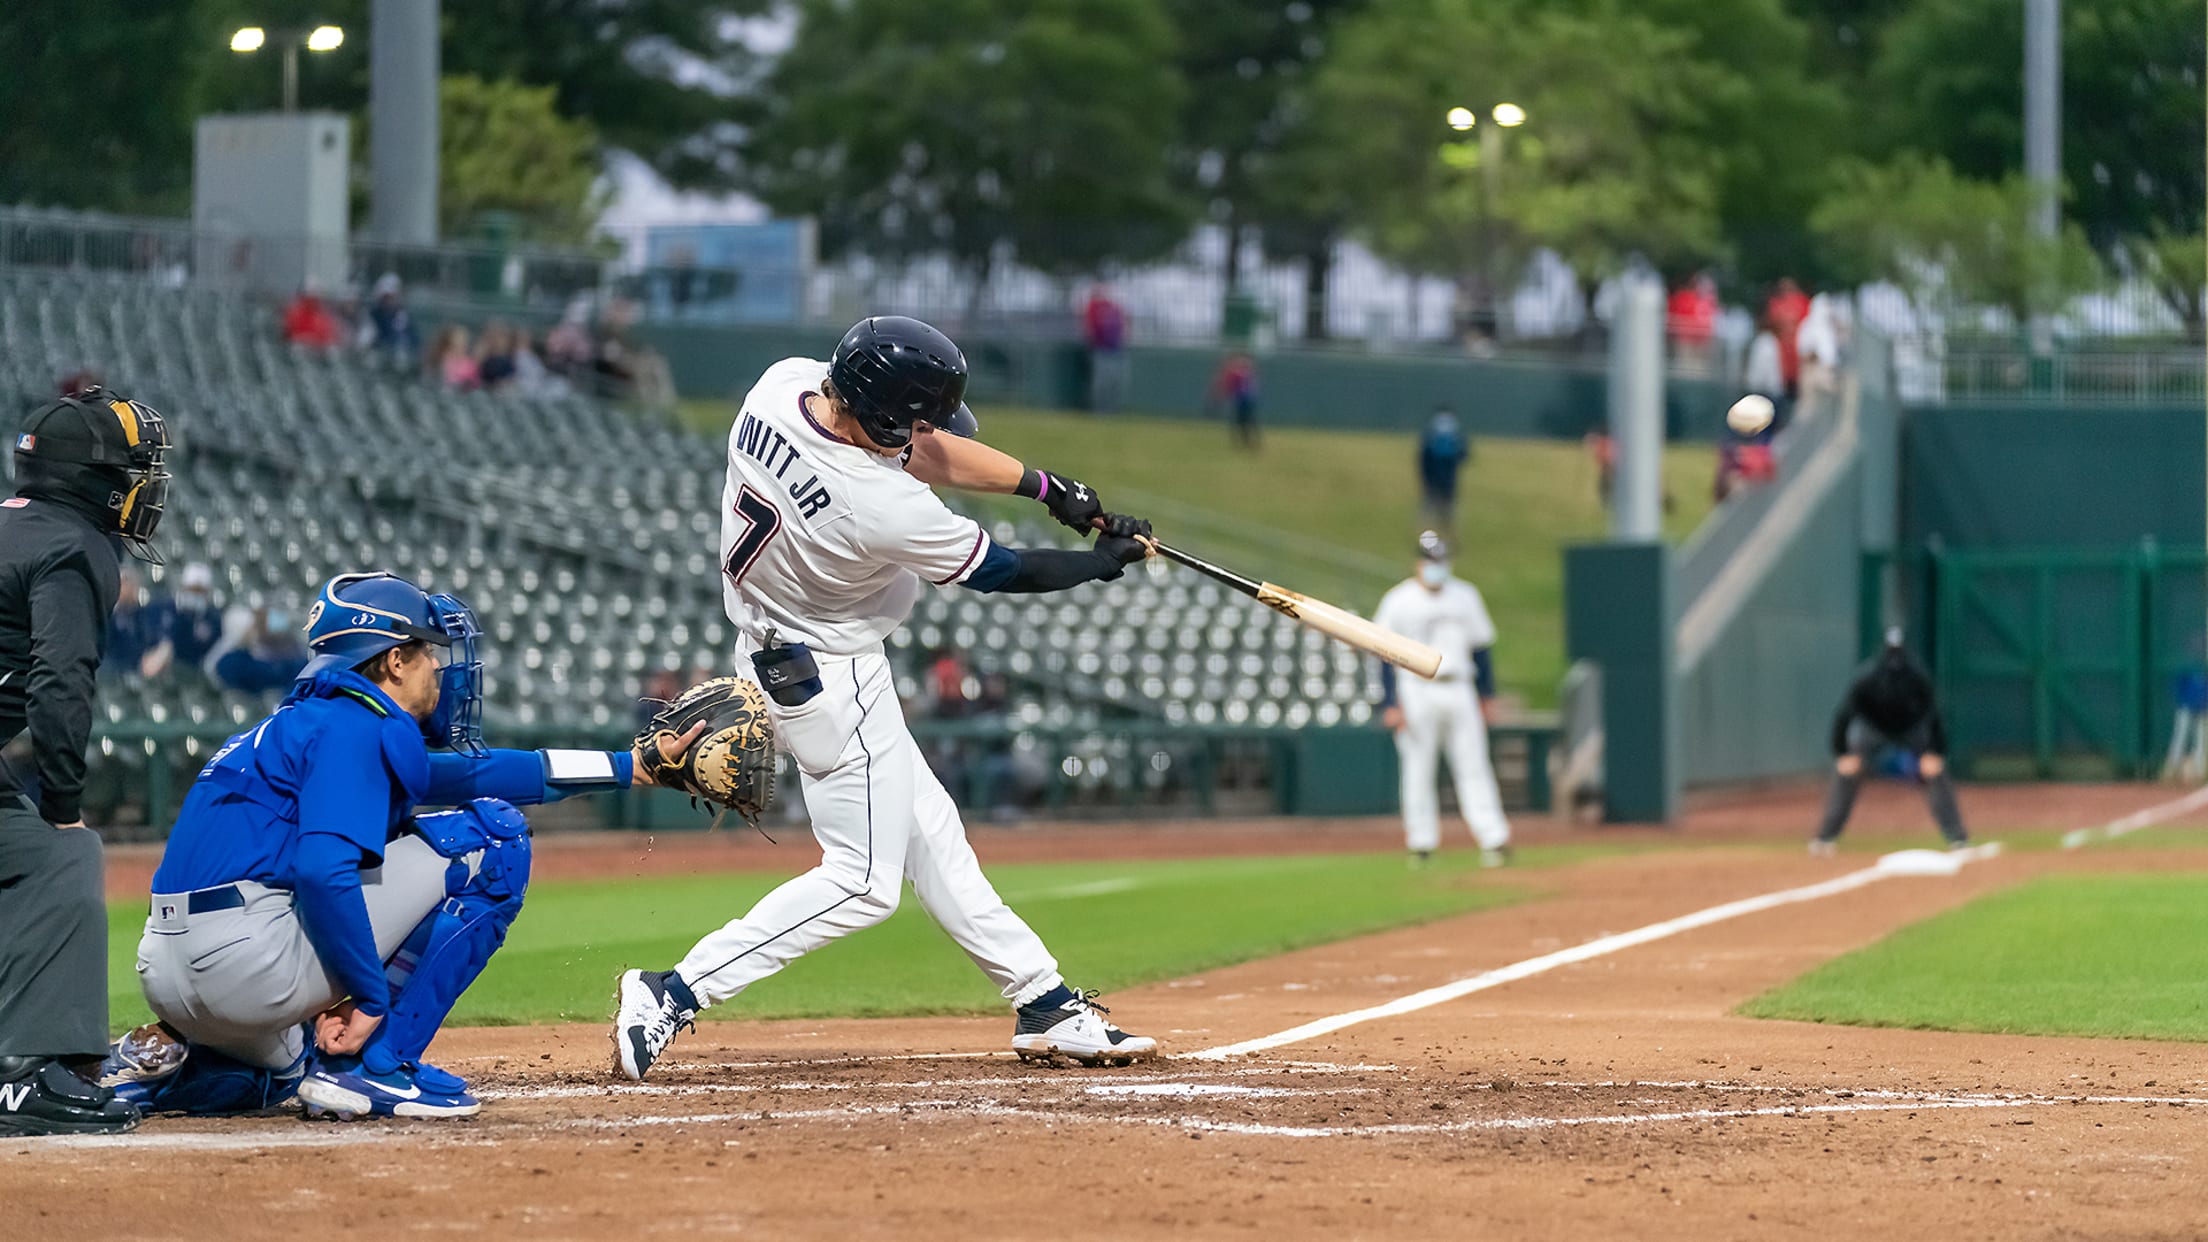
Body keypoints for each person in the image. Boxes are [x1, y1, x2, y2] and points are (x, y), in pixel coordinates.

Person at [613, 314, 1160, 1080]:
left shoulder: (783, 384)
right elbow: (1003, 571)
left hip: (779, 643)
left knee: (932, 837)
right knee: (864, 883)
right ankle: (672, 990)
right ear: (881, 418)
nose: (922, 436)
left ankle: (1046, 1004)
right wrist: (1098, 562)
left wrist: (1048, 488)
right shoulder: (879, 503)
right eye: (911, 420)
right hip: (834, 677)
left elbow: (925, 447)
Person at [99, 572, 708, 1121]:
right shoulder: (356, 727)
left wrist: (630, 767)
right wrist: (365, 998)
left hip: (169, 969)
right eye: (428, 654)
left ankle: (150, 1074)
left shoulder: (299, 724)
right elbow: (321, 871)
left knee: (283, 1068)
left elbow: (478, 773)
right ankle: (377, 1066)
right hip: (247, 964)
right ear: (393, 661)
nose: (440, 670)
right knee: (493, 838)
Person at [0, 388, 172, 1137]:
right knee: (59, 855)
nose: (144, 482)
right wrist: (64, 804)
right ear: (92, 478)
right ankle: (28, 1074)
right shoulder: (75, 544)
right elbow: (59, 686)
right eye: (134, 468)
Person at [1375, 531, 1512, 868]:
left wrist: (1487, 696)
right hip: (1415, 688)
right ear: (1417, 562)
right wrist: (1390, 702)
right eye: (1430, 560)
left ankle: (1492, 837)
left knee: (1473, 765)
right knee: (1417, 768)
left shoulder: (1465, 596)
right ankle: (1421, 843)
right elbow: (1382, 653)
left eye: (1441, 560)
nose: (1436, 566)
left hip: (1458, 684)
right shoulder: (1398, 600)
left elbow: (1481, 649)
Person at [1810, 628, 1968, 855]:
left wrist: (1935, 751)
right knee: (1846, 772)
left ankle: (1957, 837)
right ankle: (1825, 837)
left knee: (1936, 772)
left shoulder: (1917, 676)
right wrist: (1843, 753)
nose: (1895, 662)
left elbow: (1934, 714)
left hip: (1910, 729)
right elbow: (1844, 715)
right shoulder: (1867, 678)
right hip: (1873, 728)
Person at [1417, 407, 1471, 529]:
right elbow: (1464, 456)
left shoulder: (1431, 436)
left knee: (1430, 511)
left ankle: (1426, 541)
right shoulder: (1455, 437)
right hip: (1448, 480)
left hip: (1432, 480)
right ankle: (1449, 540)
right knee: (1447, 512)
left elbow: (1422, 459)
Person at [1082, 285, 1129, 413]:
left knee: (1116, 381)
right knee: (1101, 382)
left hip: (1116, 349)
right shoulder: (1093, 307)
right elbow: (1089, 329)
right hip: (1101, 349)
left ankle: (1113, 409)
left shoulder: (1114, 307)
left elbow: (1124, 325)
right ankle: (1100, 410)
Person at [361, 273, 421, 365]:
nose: (389, 301)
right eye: (386, 298)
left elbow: (414, 339)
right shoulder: (373, 316)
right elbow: (366, 341)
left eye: (392, 297)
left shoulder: (403, 315)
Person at [1209, 352, 1260, 449]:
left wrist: (1223, 396)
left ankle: (1246, 442)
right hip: (1244, 400)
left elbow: (1232, 387)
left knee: (1244, 422)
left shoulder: (1240, 374)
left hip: (1244, 401)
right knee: (1244, 422)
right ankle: (1246, 442)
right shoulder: (1243, 373)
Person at [281, 284, 343, 350]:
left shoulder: (323, 317)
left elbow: (331, 337)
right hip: (298, 349)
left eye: (315, 299)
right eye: (310, 298)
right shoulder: (294, 312)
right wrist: (306, 338)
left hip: (317, 352)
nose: (313, 302)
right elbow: (289, 335)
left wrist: (317, 340)